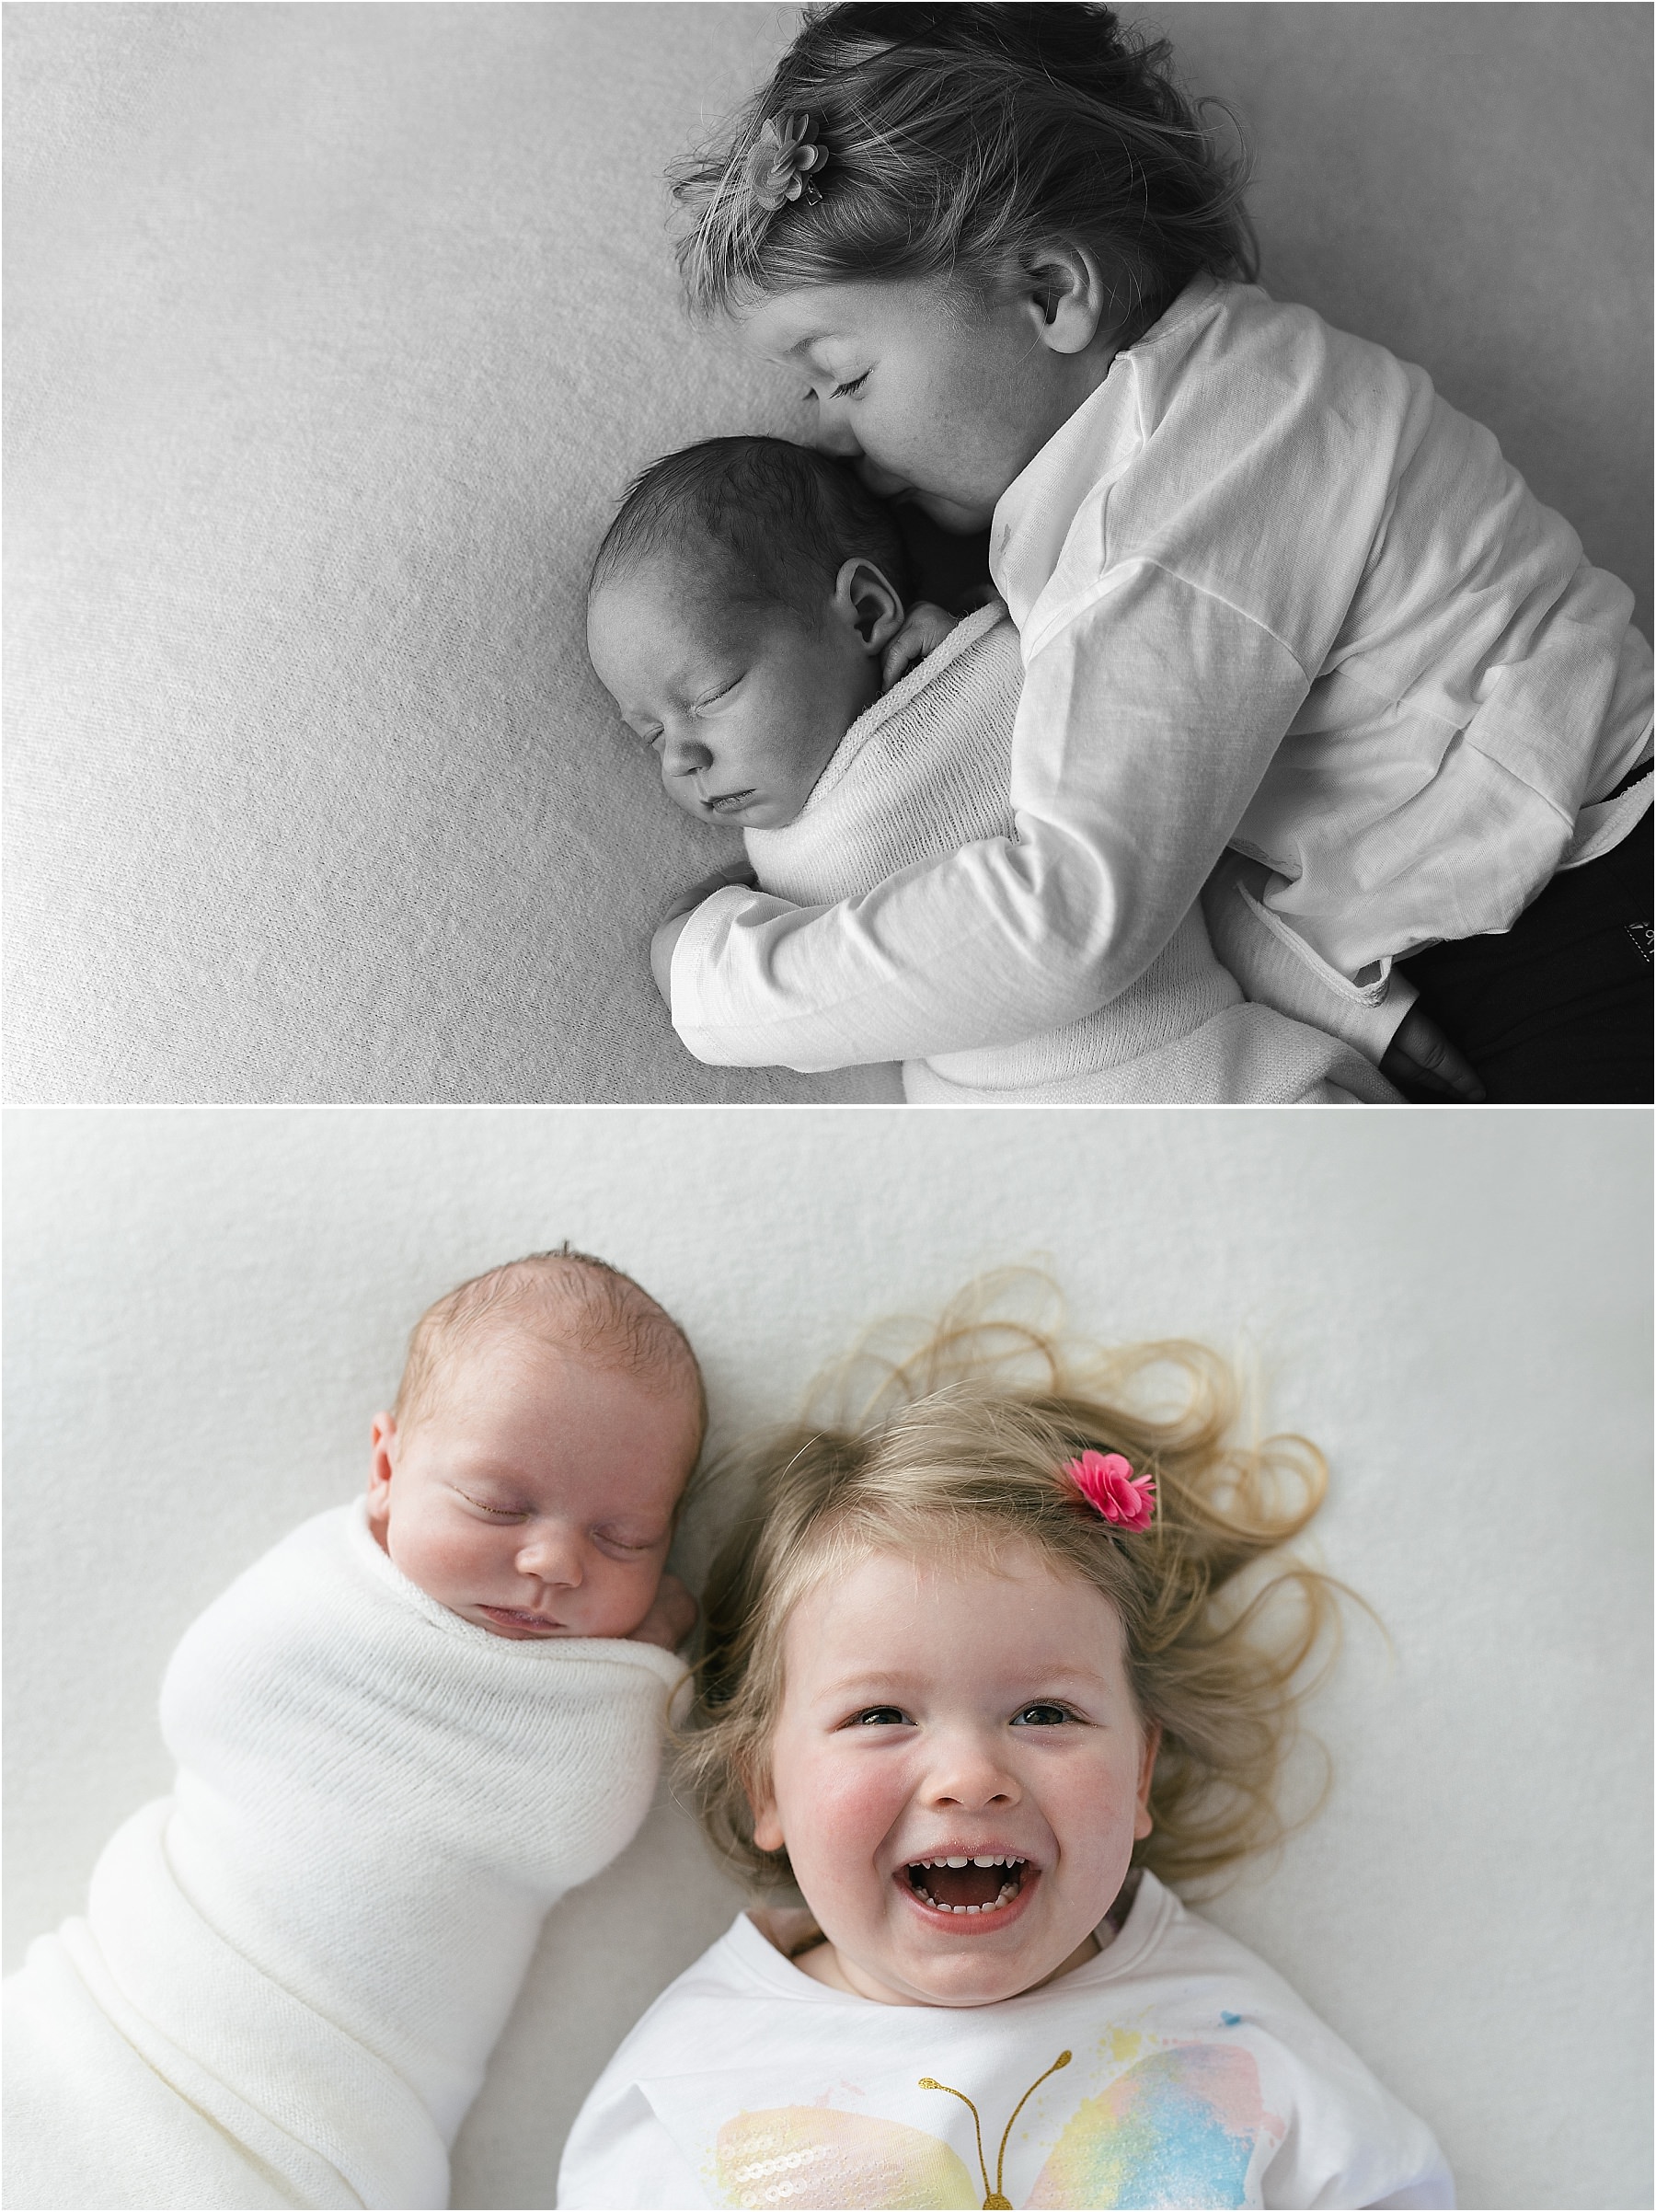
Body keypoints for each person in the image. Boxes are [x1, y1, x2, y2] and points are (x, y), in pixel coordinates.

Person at [650, 3, 1652, 1104]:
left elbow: (1073, 918)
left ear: (1050, 294)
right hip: (1526, 907)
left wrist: (716, 978)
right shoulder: (1212, 404)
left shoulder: (1179, 489)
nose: (828, 433)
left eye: (843, 375)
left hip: (1591, 889)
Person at [558, 1290, 1452, 2209]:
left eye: (1045, 1714)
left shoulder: (1221, 2031)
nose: (972, 1778)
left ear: (1139, 1769)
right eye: (880, 1716)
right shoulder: (700, 2077)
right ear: (765, 1785)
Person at [4, 1248, 702, 2212]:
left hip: (317, 2139)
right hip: (112, 2022)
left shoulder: (586, 1709)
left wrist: (633, 1676)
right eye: (498, 1505)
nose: (550, 1560)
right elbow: (211, 1697)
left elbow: (569, 1821)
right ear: (385, 1467)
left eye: (622, 1538)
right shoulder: (315, 1601)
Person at [588, 433, 1397, 1101]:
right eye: (649, 736)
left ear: (866, 611)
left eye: (710, 691)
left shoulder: (1026, 673)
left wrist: (696, 964)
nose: (683, 759)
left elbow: (1190, 845)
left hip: (1229, 1084)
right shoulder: (791, 856)